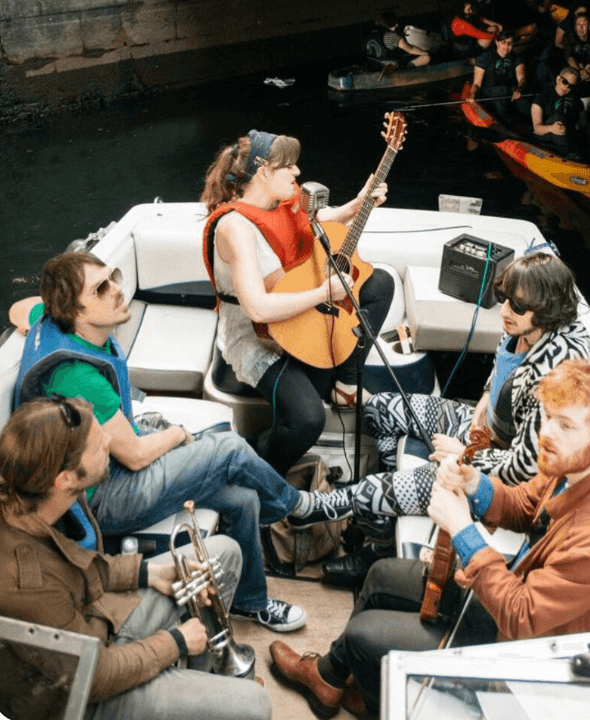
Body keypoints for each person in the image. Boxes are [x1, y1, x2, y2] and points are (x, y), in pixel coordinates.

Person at [270, 360, 590, 720]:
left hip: (529, 665)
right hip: (516, 601)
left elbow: (522, 617)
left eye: (565, 425)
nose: (545, 434)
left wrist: (463, 530)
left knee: (363, 636)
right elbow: (525, 504)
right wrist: (475, 484)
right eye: (547, 418)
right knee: (382, 575)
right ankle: (329, 677)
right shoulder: (578, 464)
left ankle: (377, 702)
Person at [13, 250, 332, 632]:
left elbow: (23, 309)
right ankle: (297, 506)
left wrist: (35, 313)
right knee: (228, 448)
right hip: (103, 496)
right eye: (101, 288)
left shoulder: (56, 323)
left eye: (113, 276)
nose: (117, 288)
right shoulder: (77, 377)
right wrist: (178, 434)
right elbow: (132, 455)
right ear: (76, 312)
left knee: (243, 497)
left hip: (111, 462)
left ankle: (251, 602)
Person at [296, 251, 590, 586]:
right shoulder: (522, 327)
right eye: (503, 298)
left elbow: (525, 467)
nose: (505, 310)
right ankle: (382, 526)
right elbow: (500, 371)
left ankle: (321, 514)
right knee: (380, 408)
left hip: (501, 475)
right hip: (484, 431)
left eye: (518, 306)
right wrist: (483, 401)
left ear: (548, 309)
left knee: (369, 489)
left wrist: (462, 454)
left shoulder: (555, 373)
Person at [0, 397, 270, 720]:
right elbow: (95, 675)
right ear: (66, 478)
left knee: (225, 552)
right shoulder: (27, 582)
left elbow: (82, 566)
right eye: (98, 446)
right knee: (256, 705)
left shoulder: (37, 500)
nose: (110, 443)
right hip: (80, 696)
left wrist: (151, 573)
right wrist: (175, 643)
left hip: (97, 621)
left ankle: (204, 681)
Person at [201, 130, 395, 476]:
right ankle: (263, 473)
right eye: (288, 167)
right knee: (308, 418)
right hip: (256, 340)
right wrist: (324, 294)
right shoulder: (235, 227)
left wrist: (362, 200)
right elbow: (257, 309)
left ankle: (345, 384)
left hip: (297, 318)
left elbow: (321, 221)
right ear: (263, 173)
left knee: (379, 283)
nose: (297, 173)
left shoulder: (279, 205)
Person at [469, 30, 527, 124]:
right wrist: (472, 95)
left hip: (510, 91)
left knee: (524, 103)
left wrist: (519, 89)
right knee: (501, 99)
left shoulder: (517, 57)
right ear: (497, 42)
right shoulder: (486, 57)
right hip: (489, 91)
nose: (506, 47)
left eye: (510, 43)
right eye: (503, 42)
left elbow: (522, 78)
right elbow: (477, 83)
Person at [530, 67, 583, 157]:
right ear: (558, 79)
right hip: (548, 138)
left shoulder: (576, 99)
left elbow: (583, 124)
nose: (567, 87)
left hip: (570, 135)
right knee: (557, 119)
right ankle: (569, 155)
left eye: (572, 86)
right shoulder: (542, 98)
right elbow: (537, 129)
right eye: (565, 82)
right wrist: (551, 128)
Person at [563, 12, 590, 106]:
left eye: (584, 25)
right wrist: (579, 70)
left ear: (589, 27)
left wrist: (589, 69)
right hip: (576, 71)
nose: (581, 28)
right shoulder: (570, 38)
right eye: (578, 25)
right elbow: (569, 56)